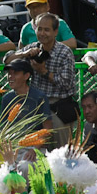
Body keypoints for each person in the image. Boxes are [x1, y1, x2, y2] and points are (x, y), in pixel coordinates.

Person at [5, 13, 77, 147]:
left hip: (57, 108)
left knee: (60, 151)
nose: (42, 33)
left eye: (47, 30)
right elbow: (7, 60)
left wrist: (43, 71)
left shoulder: (65, 52)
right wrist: (24, 54)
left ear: (56, 32)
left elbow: (67, 84)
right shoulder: (33, 48)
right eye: (39, 29)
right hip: (35, 107)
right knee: (35, 151)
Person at [1, 59, 52, 132]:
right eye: (9, 73)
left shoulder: (39, 97)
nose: (10, 76)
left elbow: (47, 128)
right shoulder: (6, 98)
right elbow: (3, 127)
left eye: (15, 73)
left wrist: (37, 143)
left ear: (26, 76)